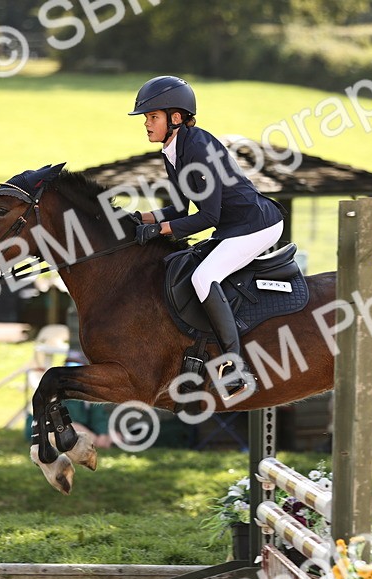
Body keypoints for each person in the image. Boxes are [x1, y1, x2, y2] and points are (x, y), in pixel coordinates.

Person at [128, 75, 285, 399]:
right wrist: (136, 219)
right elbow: (179, 208)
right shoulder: (173, 149)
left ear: (175, 117)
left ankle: (234, 367)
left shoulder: (197, 149)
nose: (146, 124)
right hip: (232, 226)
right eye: (146, 118)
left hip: (256, 224)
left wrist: (158, 230)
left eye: (152, 117)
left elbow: (206, 217)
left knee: (203, 277)